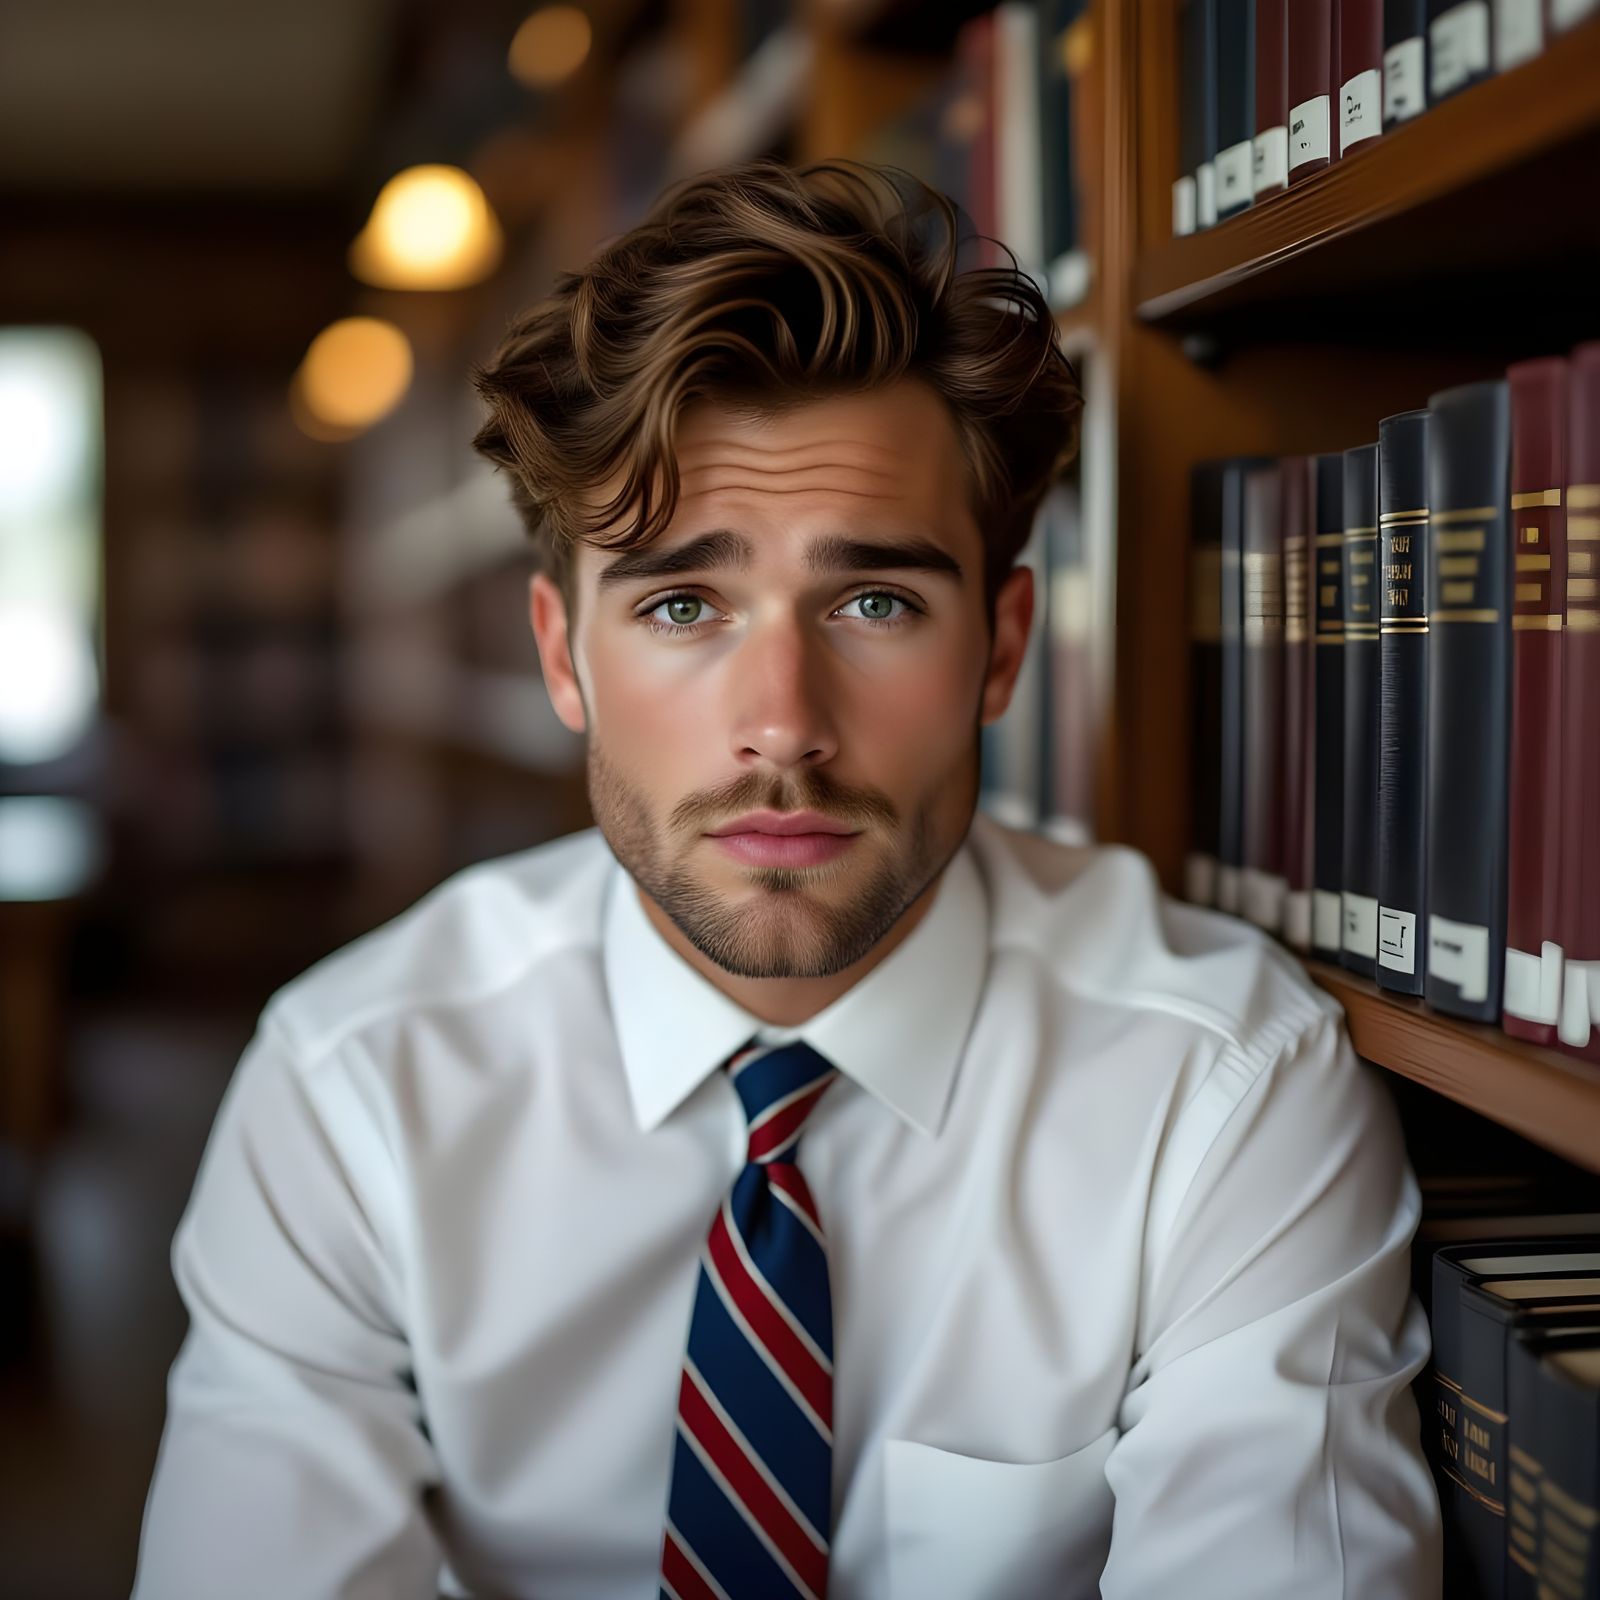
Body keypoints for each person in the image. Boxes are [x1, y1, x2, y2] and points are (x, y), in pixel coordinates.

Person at [132, 158, 1441, 1600]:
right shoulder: (354, 1089)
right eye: (684, 603)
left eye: (875, 600)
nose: (783, 721)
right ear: (564, 656)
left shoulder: (1225, 1091)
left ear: (1001, 649)